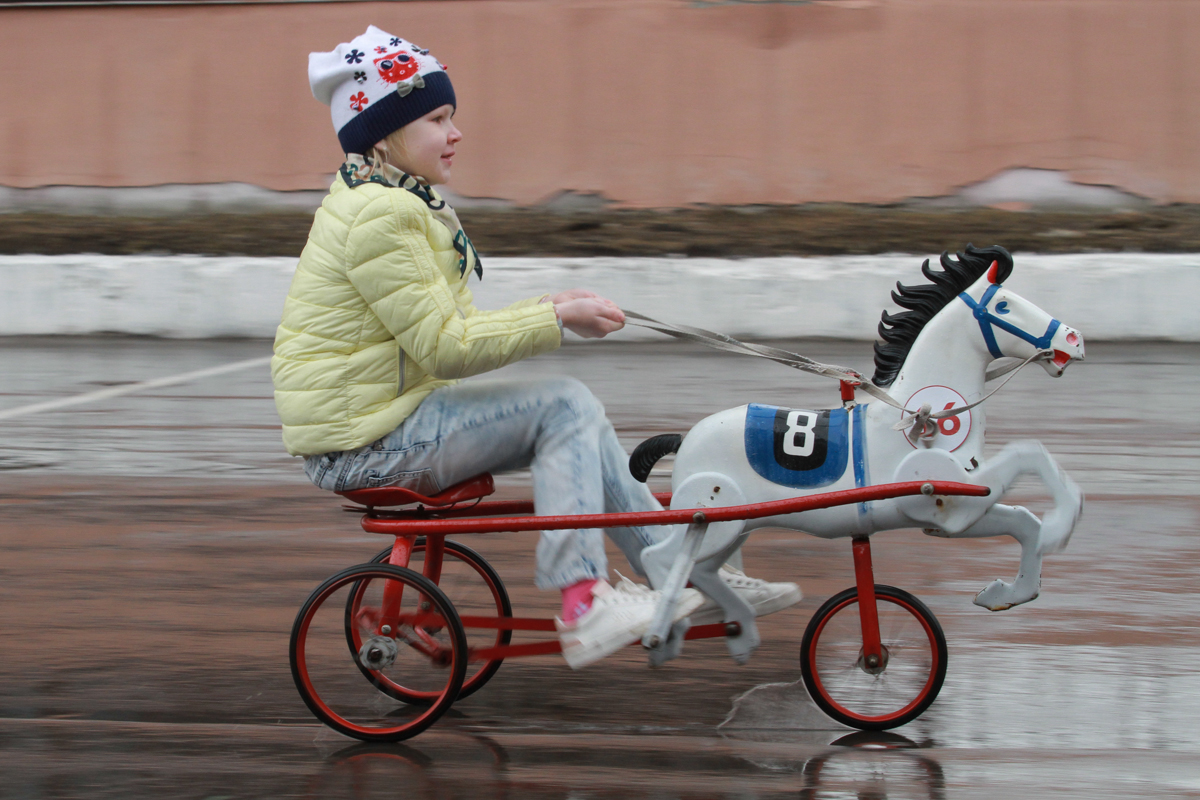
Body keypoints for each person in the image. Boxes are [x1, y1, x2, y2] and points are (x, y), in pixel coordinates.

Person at [273, 25, 801, 668]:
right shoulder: (384, 216)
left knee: (575, 414)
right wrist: (558, 319)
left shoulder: (393, 199)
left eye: (452, 116)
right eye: (438, 117)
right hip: (363, 443)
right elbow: (447, 347)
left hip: (382, 421)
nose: (456, 131)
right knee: (564, 408)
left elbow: (445, 330)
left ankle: (679, 571)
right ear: (385, 133)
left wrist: (553, 307)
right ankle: (586, 602)